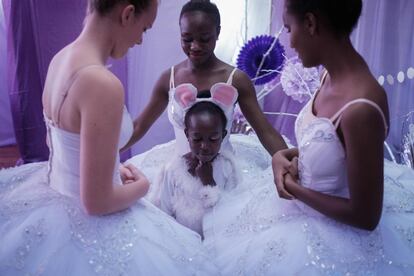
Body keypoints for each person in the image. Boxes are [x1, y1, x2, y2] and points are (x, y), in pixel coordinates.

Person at [0, 1, 218, 275]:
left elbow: (58, 144)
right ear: (127, 14)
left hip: (51, 194)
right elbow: (97, 202)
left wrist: (105, 165)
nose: (139, 40)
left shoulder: (60, 59)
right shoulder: (102, 84)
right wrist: (143, 185)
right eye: (144, 28)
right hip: (86, 223)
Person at [199, 0, 414, 274]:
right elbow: (331, 150)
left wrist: (294, 188)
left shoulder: (361, 107)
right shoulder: (329, 75)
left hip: (337, 236)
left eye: (289, 28)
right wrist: (282, 156)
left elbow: (366, 216)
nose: (290, 41)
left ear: (311, 24)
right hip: (299, 208)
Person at [122, 0, 287, 156]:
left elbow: (265, 131)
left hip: (225, 177)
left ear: (218, 32)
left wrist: (292, 166)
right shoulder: (168, 79)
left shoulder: (236, 80)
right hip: (180, 173)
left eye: (204, 39)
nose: (195, 46)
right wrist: (105, 153)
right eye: (187, 39)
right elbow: (138, 127)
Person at [153, 87, 239, 237]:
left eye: (213, 139)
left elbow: (232, 214)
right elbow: (164, 213)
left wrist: (209, 182)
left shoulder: (227, 168)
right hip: (181, 241)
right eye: (197, 139)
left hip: (219, 240)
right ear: (187, 134)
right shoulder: (173, 170)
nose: (205, 146)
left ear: (223, 135)